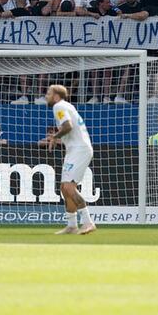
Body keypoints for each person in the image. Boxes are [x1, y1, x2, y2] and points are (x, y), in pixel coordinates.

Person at [45, 84, 96, 235]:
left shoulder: (58, 106)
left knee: (68, 187)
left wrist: (54, 137)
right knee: (64, 188)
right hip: (75, 149)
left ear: (56, 96)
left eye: (48, 93)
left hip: (80, 150)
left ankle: (88, 222)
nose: (46, 96)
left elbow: (68, 126)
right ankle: (72, 225)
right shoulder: (66, 106)